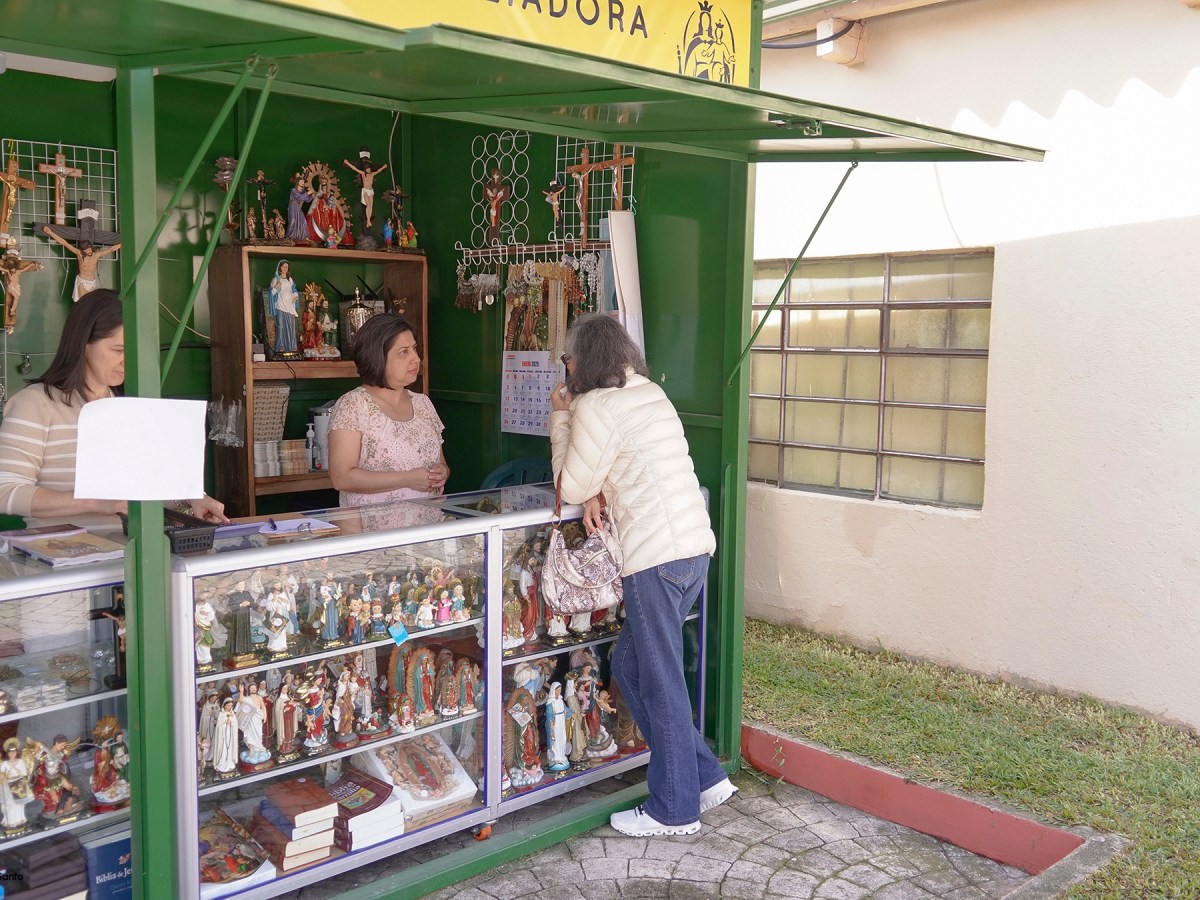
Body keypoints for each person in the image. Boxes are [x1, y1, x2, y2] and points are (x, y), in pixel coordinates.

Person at [548, 313, 733, 837]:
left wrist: (561, 417)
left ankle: (673, 810)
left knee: (660, 680)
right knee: (630, 668)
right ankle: (704, 774)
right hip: (692, 549)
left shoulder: (594, 405)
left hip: (654, 558)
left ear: (582, 362)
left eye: (567, 359)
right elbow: (622, 464)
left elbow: (571, 482)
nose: (566, 368)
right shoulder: (648, 393)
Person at [0, 289, 227, 530]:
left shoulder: (131, 407)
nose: (127, 361)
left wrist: (192, 498)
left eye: (134, 352)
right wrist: (94, 503)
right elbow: (5, 491)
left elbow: (151, 482)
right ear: (84, 343)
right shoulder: (35, 404)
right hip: (59, 554)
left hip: (130, 552)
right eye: (118, 350)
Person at [328, 314, 449, 507]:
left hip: (426, 528)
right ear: (377, 357)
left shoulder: (423, 403)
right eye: (404, 352)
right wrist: (407, 479)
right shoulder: (353, 405)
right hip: (372, 530)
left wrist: (442, 472)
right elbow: (341, 477)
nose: (416, 359)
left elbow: (440, 462)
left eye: (415, 349)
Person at [268, 260, 299, 356]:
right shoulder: (276, 280)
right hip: (280, 307)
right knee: (280, 327)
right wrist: (276, 287)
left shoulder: (290, 280)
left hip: (290, 307)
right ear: (279, 268)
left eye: (287, 266)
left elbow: (294, 290)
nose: (285, 268)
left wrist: (295, 297)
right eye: (283, 266)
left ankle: (291, 347)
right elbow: (271, 294)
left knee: (291, 327)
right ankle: (280, 347)